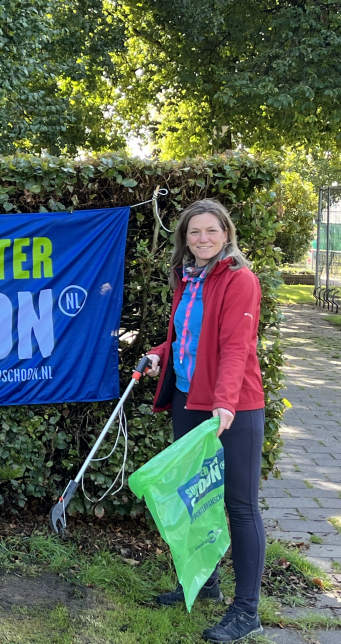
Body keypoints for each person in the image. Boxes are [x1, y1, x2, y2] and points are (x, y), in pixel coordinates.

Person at [145, 199, 266, 644]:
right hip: (191, 401)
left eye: (211, 231)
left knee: (239, 505)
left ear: (226, 234)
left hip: (233, 407)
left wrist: (227, 404)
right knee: (199, 499)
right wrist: (159, 354)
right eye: (194, 232)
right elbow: (186, 335)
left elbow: (236, 347)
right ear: (185, 239)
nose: (203, 239)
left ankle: (247, 611)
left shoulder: (239, 279)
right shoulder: (188, 279)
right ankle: (205, 584)